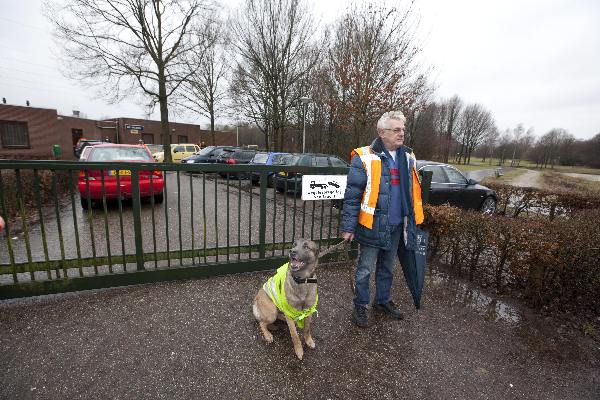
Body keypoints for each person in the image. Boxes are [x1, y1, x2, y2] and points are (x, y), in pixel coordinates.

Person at [341, 111, 424, 328]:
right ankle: (360, 305)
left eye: (403, 129)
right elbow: (352, 196)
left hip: (398, 226)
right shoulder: (365, 156)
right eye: (396, 130)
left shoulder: (408, 157)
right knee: (365, 269)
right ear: (381, 132)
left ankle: (382, 301)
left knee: (387, 267)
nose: (401, 134)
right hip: (372, 225)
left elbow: (411, 193)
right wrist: (348, 227)